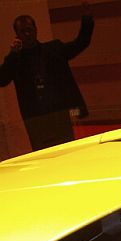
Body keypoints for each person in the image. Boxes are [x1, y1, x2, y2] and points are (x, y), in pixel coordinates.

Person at [0, 2, 94, 151]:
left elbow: (81, 43)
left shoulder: (54, 49)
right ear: (17, 35)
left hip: (60, 115)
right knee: (45, 158)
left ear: (36, 30)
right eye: (23, 31)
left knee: (68, 153)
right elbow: (2, 79)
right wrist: (12, 55)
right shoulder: (16, 60)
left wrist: (87, 19)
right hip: (36, 120)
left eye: (30, 30)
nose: (27, 34)